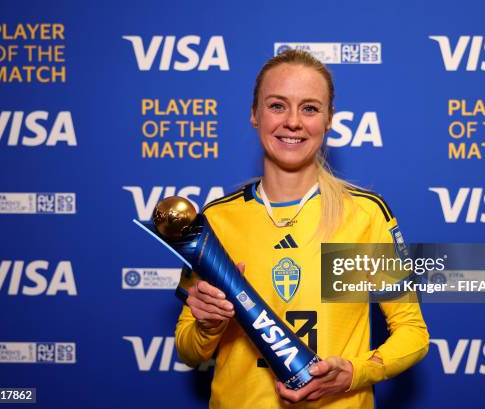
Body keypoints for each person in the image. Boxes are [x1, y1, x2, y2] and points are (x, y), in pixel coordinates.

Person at [175, 49, 429, 408]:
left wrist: (356, 372)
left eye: (309, 108)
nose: (293, 122)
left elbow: (413, 333)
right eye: (277, 105)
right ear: (254, 114)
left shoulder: (363, 215)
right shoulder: (216, 221)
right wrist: (207, 326)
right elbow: (188, 348)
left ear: (329, 119)